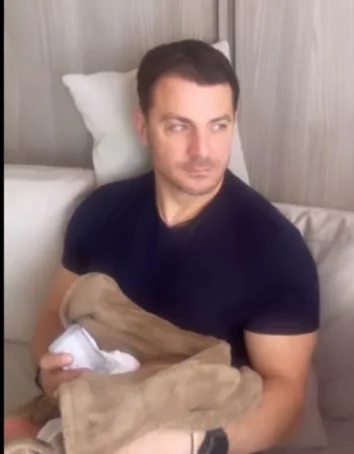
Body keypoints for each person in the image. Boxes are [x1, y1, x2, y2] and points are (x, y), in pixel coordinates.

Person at [3, 39, 319, 454]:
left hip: (193, 432)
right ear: (143, 128)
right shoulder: (100, 212)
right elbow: (52, 315)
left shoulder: (276, 250)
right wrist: (49, 372)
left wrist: (195, 442)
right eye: (179, 126)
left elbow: (287, 395)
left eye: (218, 125)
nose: (202, 151)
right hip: (86, 414)